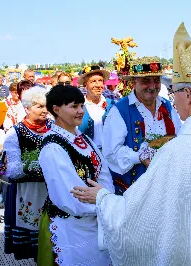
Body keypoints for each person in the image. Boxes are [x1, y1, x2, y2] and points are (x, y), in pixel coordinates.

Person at [71, 19, 191, 265]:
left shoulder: (179, 149)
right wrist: (139, 156)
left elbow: (132, 218)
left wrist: (102, 199)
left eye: (172, 92)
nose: (162, 93)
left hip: (160, 201)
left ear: (189, 94)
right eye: (146, 82)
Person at [38, 85, 114, 265]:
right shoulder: (52, 148)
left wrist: (106, 198)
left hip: (97, 219)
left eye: (81, 105)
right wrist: (107, 205)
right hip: (72, 226)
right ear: (56, 110)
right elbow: (69, 197)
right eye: (74, 107)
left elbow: (103, 173)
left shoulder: (83, 139)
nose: (81, 111)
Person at [102, 56, 182, 195]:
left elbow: (179, 136)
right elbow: (111, 152)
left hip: (167, 184)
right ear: (134, 82)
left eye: (156, 81)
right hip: (135, 190)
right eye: (146, 81)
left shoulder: (167, 106)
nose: (152, 87)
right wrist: (139, 157)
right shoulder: (120, 111)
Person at [2, 86, 52, 261]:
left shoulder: (55, 128)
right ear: (27, 108)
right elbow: (13, 171)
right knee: (35, 243)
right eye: (39, 106)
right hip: (28, 192)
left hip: (53, 190)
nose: (45, 110)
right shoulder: (14, 133)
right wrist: (39, 165)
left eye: (46, 106)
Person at [77, 65, 115, 150]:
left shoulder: (112, 105)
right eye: (93, 81)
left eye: (100, 81)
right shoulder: (78, 107)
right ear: (85, 85)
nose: (98, 85)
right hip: (88, 156)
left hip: (111, 155)